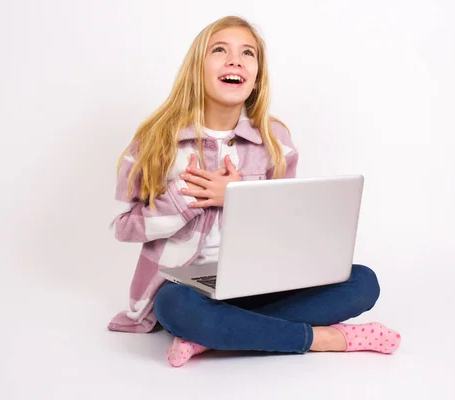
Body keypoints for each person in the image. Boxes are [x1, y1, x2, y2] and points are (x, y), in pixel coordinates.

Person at [108, 15, 401, 367]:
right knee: (175, 307)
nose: (235, 60)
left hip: (261, 284)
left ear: (256, 77)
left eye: (247, 53)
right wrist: (186, 200)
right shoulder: (157, 141)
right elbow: (124, 227)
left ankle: (214, 337)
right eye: (220, 50)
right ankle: (320, 339)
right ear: (196, 69)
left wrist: (238, 196)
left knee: (363, 282)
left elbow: (288, 226)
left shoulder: (276, 141)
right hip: (191, 290)